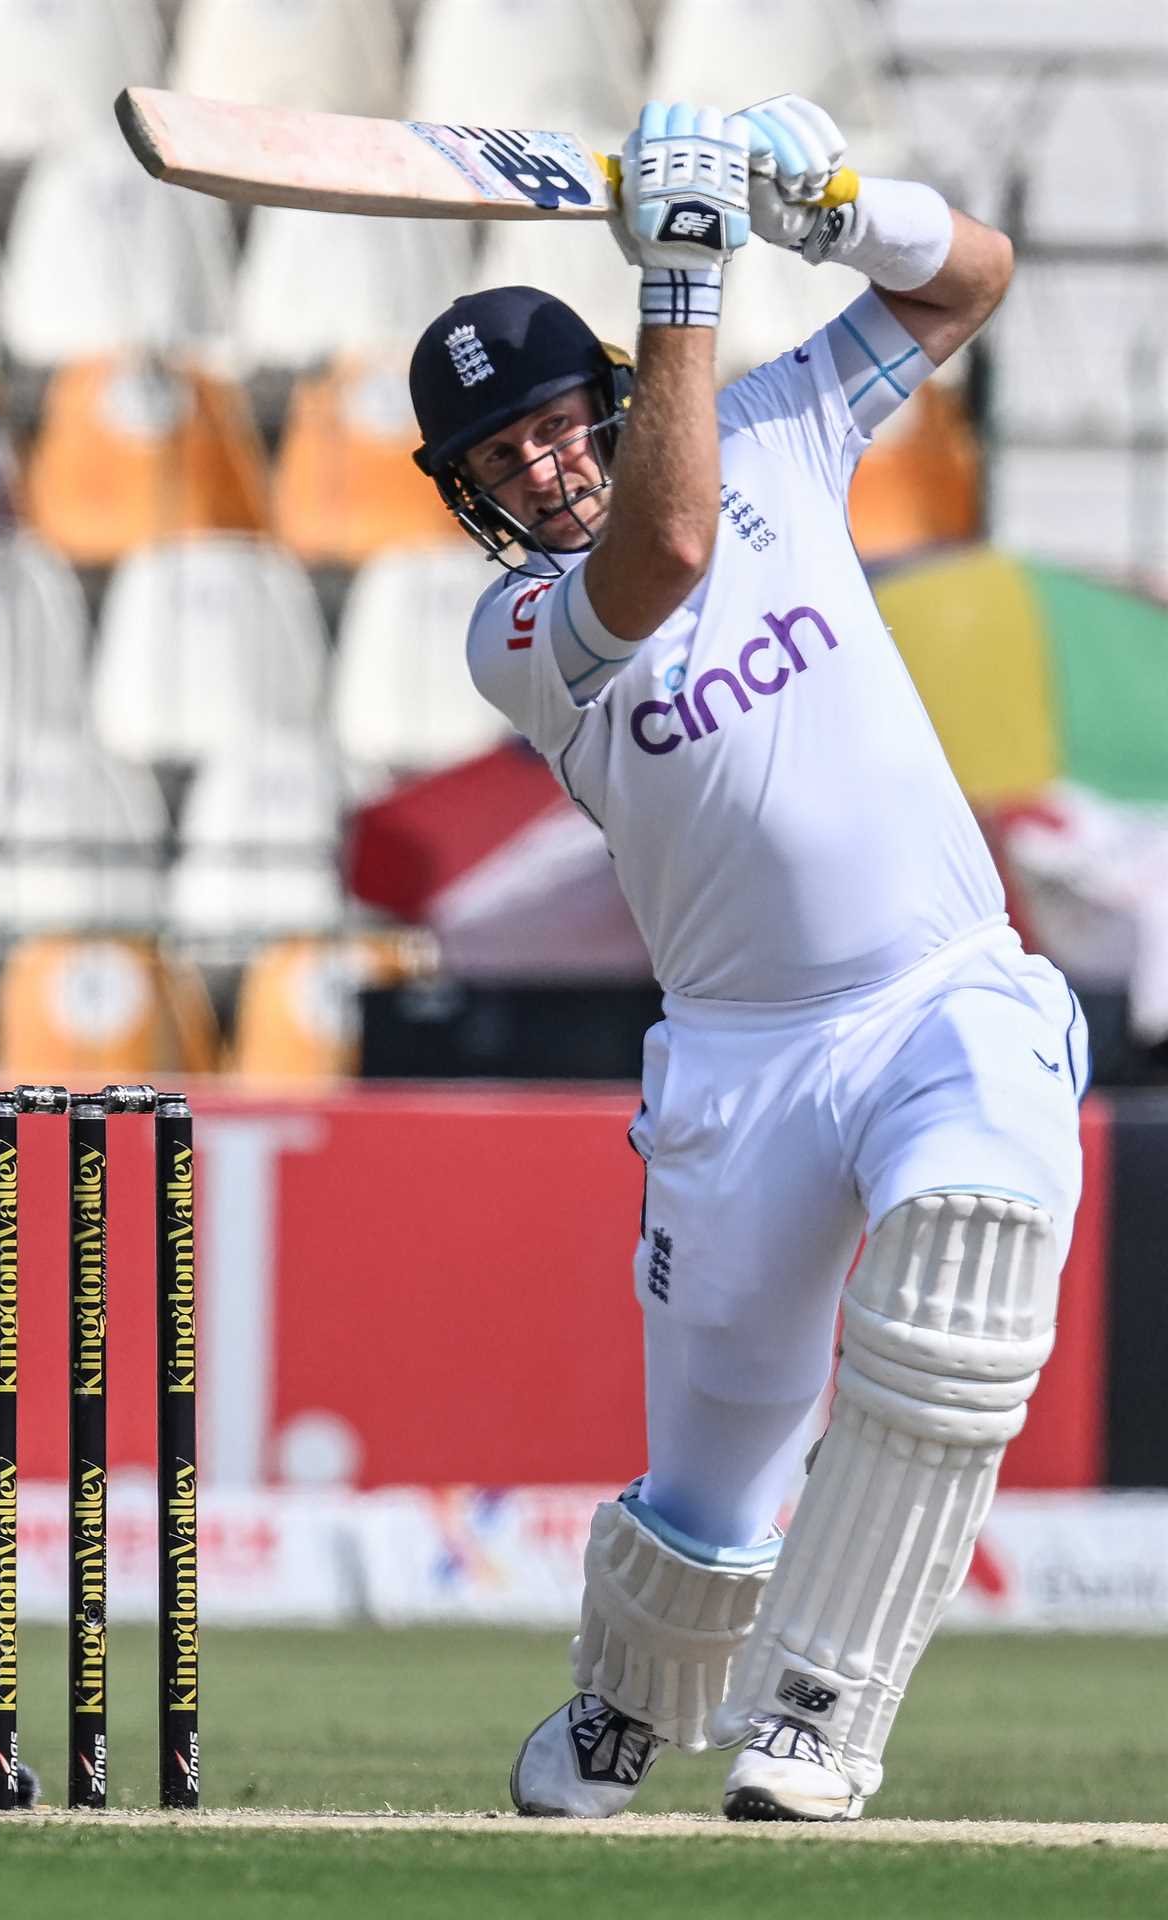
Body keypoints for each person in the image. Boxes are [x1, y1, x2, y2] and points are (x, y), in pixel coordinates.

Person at [409, 97, 1086, 1822]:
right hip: (743, 1063)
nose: (543, 469)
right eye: (505, 462)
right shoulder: (515, 635)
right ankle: (631, 1708)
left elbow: (973, 283)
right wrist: (688, 285)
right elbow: (668, 551)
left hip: (946, 988)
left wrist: (842, 204)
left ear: (611, 407)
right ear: (473, 499)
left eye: (560, 428)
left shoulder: (783, 425)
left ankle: (821, 1712)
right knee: (710, 1488)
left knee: (965, 1282)